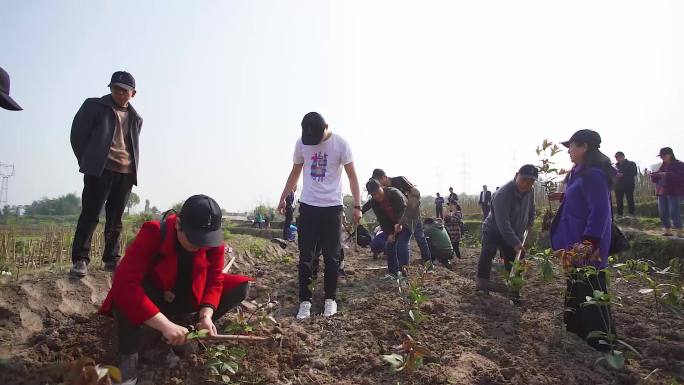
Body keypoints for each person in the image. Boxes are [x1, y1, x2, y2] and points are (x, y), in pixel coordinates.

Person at [99, 195, 252, 385]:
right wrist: (165, 325)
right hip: (155, 297)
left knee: (240, 286)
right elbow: (124, 283)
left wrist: (206, 315)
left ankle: (190, 330)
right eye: (194, 239)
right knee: (125, 293)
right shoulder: (154, 232)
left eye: (205, 240)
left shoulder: (211, 242)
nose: (200, 246)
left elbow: (215, 280)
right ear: (178, 224)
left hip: (187, 296)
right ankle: (129, 356)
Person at [277, 112, 361, 320]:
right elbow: (295, 172)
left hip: (332, 208)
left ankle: (330, 300)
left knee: (332, 257)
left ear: (325, 128)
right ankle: (305, 301)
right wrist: (283, 197)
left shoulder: (341, 144)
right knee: (306, 256)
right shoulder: (302, 143)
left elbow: (352, 176)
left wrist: (357, 206)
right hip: (308, 206)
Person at [69, 71, 143, 278]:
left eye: (124, 90)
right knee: (90, 215)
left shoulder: (136, 118)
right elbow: (77, 135)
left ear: (133, 93)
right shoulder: (94, 106)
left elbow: (132, 145)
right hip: (100, 170)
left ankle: (111, 259)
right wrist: (88, 160)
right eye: (115, 88)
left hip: (126, 172)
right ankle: (80, 260)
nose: (119, 93)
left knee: (115, 219)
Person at [549, 129, 615, 350]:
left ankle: (600, 342)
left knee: (591, 288)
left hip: (586, 246)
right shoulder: (577, 172)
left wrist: (589, 243)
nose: (568, 150)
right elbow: (580, 198)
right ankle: (577, 332)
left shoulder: (594, 174)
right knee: (575, 287)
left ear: (585, 147)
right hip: (572, 244)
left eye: (572, 145)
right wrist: (563, 197)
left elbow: (599, 211)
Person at [476, 165, 537, 293]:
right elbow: (503, 223)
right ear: (516, 175)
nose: (526, 184)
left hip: (513, 232)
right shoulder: (502, 194)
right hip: (494, 230)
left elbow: (531, 209)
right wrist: (515, 242)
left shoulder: (530, 191)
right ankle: (482, 286)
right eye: (524, 179)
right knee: (488, 253)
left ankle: (514, 290)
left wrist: (530, 222)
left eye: (530, 181)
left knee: (515, 260)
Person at [362, 169, 433, 266]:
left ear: (384, 178)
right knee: (396, 242)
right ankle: (398, 267)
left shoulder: (400, 181)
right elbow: (372, 204)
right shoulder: (379, 195)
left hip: (411, 214)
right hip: (397, 219)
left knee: (419, 237)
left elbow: (415, 193)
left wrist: (411, 205)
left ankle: (428, 263)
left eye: (379, 181)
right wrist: (359, 211)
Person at [365, 179, 410, 278]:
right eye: (373, 195)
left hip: (408, 220)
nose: (376, 196)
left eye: (377, 192)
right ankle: (392, 272)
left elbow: (403, 211)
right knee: (390, 245)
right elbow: (382, 220)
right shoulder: (374, 203)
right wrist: (389, 233)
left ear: (382, 187)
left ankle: (404, 272)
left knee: (401, 245)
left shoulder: (394, 193)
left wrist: (399, 223)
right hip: (393, 224)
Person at [650, 147, 684, 237]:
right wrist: (654, 176)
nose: (662, 157)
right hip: (662, 191)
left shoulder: (680, 165)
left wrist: (667, 174)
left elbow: (681, 177)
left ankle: (679, 231)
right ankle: (667, 231)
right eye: (661, 156)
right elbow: (656, 178)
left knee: (674, 212)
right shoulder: (662, 165)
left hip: (674, 191)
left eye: (664, 155)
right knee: (663, 212)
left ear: (670, 154)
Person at [614, 151, 637, 216]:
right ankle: (619, 214)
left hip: (628, 184)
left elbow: (634, 172)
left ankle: (631, 214)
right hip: (618, 185)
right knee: (619, 200)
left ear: (623, 156)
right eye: (616, 157)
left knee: (630, 199)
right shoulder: (615, 166)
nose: (617, 158)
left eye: (618, 157)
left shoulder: (631, 164)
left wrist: (623, 174)